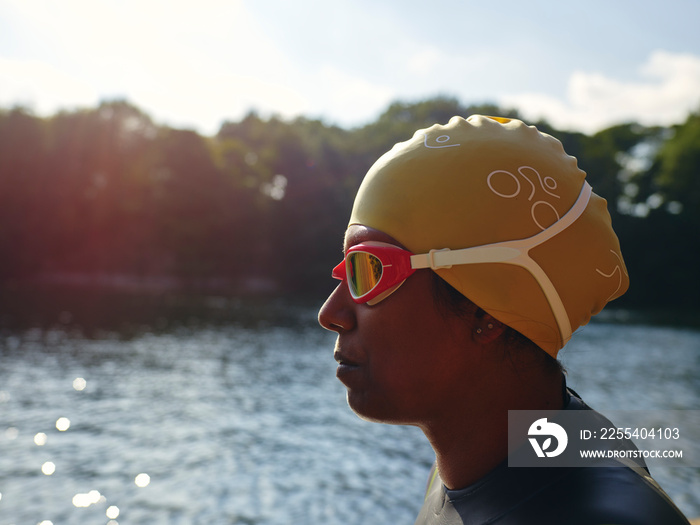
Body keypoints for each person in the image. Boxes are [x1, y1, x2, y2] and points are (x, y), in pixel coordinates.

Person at [318, 115, 691, 524]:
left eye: (368, 271)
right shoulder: (475, 464)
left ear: (488, 311)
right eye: (345, 272)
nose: (331, 313)